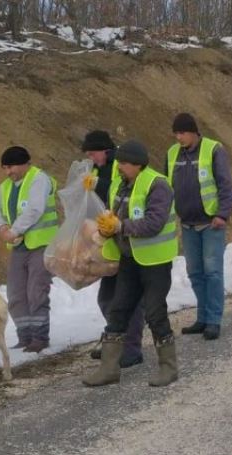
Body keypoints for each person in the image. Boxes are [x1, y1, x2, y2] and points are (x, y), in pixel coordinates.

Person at [82, 140, 179, 387]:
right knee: (118, 310)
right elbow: (115, 216)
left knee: (155, 312)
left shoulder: (158, 185)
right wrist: (106, 229)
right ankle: (109, 368)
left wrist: (120, 227)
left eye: (124, 163)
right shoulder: (120, 184)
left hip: (155, 261)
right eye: (119, 163)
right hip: (128, 259)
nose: (119, 167)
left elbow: (153, 223)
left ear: (138, 164)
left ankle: (168, 367)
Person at [166, 113, 232, 340]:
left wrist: (222, 214)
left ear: (194, 131)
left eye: (182, 133)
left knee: (212, 272)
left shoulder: (214, 150)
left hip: (211, 223)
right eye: (176, 133)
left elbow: (225, 184)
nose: (179, 138)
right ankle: (202, 317)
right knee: (195, 273)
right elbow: (167, 186)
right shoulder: (172, 153)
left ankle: (213, 320)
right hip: (187, 224)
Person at [81, 130, 145, 368]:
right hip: (110, 241)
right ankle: (115, 341)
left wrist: (100, 184)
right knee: (107, 298)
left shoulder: (121, 165)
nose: (91, 157)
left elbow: (120, 192)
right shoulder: (99, 167)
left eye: (93, 153)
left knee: (129, 299)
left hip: (128, 242)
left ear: (105, 150)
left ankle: (131, 348)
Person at [0, 146, 57, 353]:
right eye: (5, 168)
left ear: (25, 163)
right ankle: (25, 335)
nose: (9, 172)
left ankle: (40, 337)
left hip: (41, 244)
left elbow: (35, 209)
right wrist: (1, 226)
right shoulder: (6, 187)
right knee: (16, 293)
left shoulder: (39, 179)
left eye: (12, 167)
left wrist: (15, 229)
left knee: (36, 291)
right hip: (19, 247)